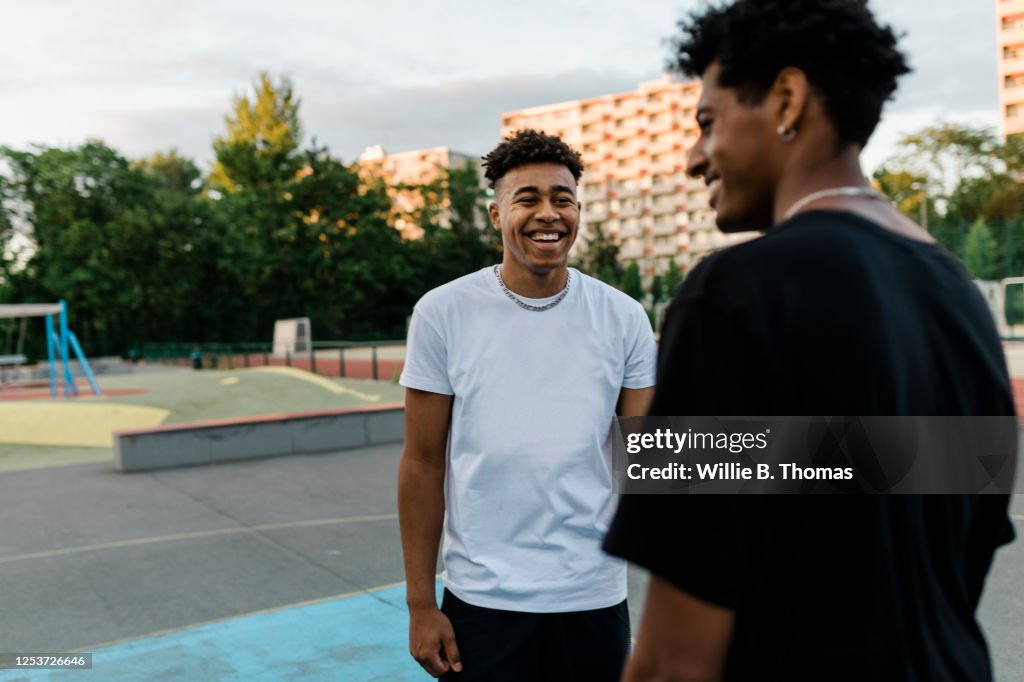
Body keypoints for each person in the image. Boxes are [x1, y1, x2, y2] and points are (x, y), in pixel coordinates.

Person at [603, 1, 1017, 680]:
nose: (692, 159)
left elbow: (673, 664)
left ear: (787, 99)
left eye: (707, 122)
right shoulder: (963, 297)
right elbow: (952, 558)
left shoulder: (731, 293)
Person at [398, 128, 657, 680]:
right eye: (528, 199)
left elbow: (652, 459)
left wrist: (826, 458)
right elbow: (421, 462)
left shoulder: (624, 316)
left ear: (578, 211)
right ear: (496, 215)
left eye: (562, 199)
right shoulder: (443, 313)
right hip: (482, 601)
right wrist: (421, 603)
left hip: (592, 596)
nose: (549, 213)